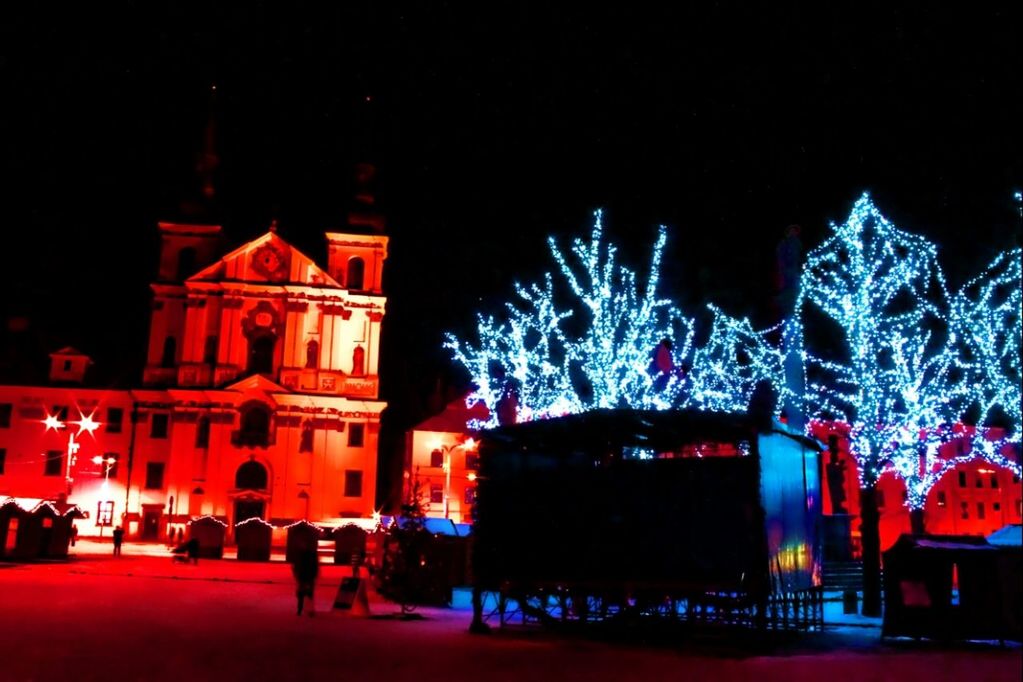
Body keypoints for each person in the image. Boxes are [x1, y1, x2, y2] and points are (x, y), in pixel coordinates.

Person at [291, 549, 320, 616]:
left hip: (302, 576)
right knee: (309, 594)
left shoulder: (300, 556)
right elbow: (315, 566)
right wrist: (315, 575)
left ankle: (300, 610)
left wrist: (296, 574)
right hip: (309, 577)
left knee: (301, 594)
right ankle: (309, 610)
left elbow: (295, 566)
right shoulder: (312, 555)